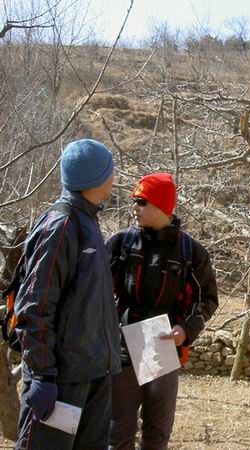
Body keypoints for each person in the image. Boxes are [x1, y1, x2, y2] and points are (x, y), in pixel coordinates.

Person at [14, 138, 121, 450]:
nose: (114, 176)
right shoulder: (61, 225)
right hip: (61, 381)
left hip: (94, 374)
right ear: (95, 176)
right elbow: (34, 306)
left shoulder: (88, 221)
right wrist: (43, 374)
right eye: (110, 169)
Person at [106, 172, 219, 450]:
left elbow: (207, 298)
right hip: (121, 344)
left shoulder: (190, 252)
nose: (134, 207)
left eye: (141, 201)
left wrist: (186, 330)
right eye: (134, 201)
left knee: (157, 433)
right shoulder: (120, 243)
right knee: (117, 432)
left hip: (162, 344)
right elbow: (96, 292)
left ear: (161, 205)